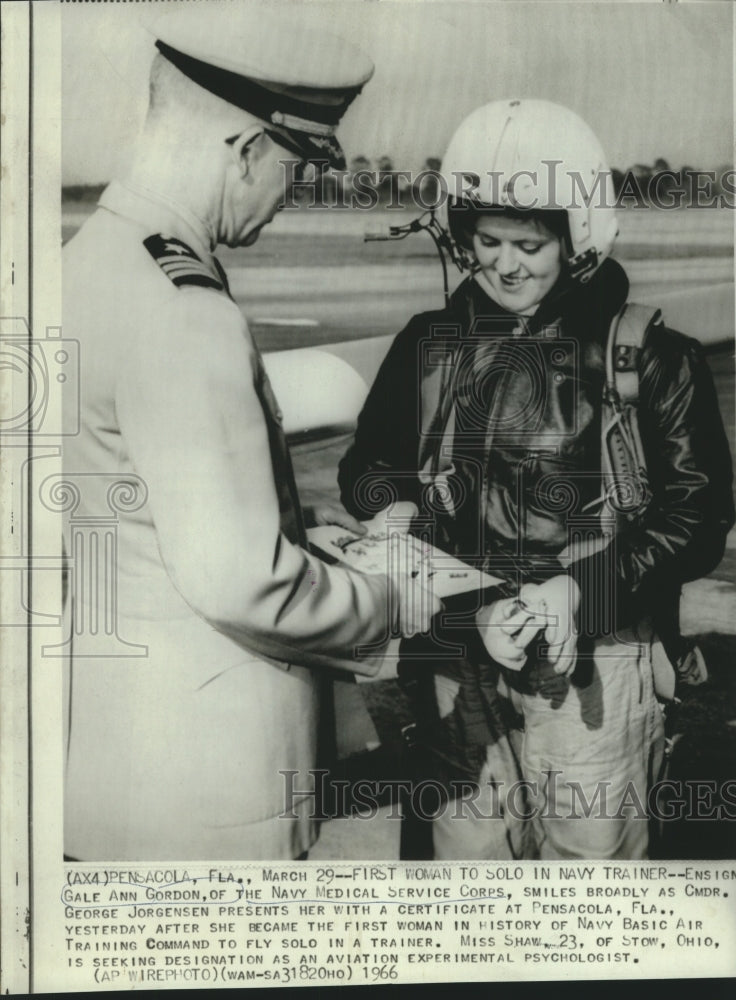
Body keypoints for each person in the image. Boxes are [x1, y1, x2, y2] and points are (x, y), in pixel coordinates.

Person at [61, 7, 439, 862]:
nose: (291, 196)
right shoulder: (185, 313)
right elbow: (243, 584)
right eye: (295, 171)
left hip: (114, 755)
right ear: (244, 151)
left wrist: (306, 543)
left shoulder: (83, 265)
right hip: (209, 780)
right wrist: (387, 601)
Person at [338, 99, 734, 860]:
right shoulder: (431, 343)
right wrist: (390, 509)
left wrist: (580, 592)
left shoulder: (650, 355)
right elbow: (370, 468)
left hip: (595, 659)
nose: (505, 264)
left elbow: (695, 516)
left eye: (528, 242)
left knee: (587, 888)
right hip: (458, 650)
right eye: (486, 241)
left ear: (576, 239)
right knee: (467, 872)